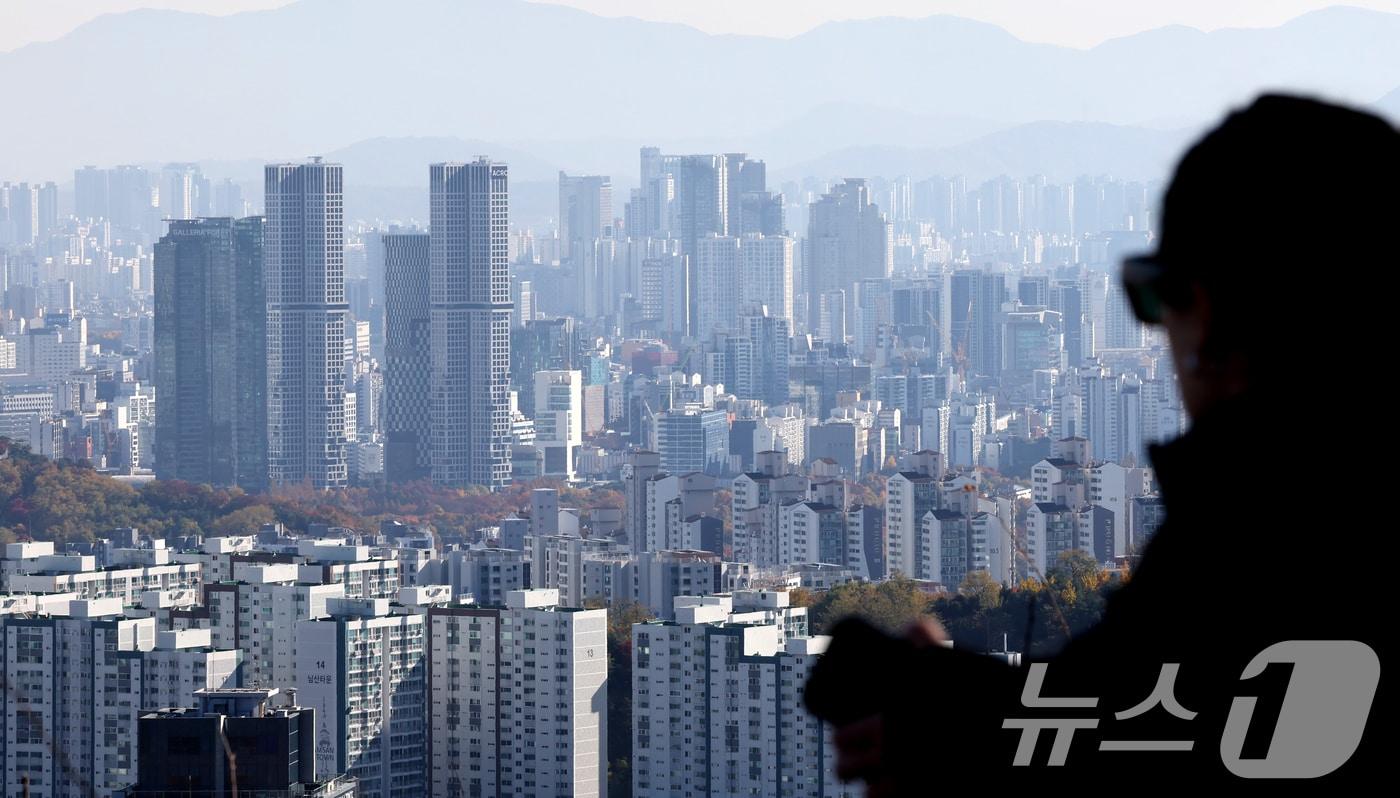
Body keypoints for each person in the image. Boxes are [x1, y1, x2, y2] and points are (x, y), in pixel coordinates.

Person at [806, 94, 1397, 791]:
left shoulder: (1248, 533)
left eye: (1156, 298)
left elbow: (1144, 716)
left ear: (1205, 313)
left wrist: (934, 716)